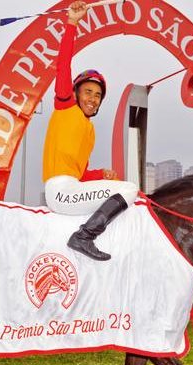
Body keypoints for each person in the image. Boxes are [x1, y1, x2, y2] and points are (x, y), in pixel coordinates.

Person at [42, 1, 138, 261]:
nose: (93, 99)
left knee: (120, 185)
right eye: (88, 92)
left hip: (72, 187)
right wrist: (72, 23)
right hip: (59, 191)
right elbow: (63, 65)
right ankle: (83, 237)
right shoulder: (65, 106)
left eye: (98, 95)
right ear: (75, 92)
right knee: (130, 190)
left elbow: (81, 174)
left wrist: (101, 174)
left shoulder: (89, 130)